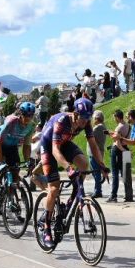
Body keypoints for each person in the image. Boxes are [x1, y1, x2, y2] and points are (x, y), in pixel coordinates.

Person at [37, 98, 108, 244]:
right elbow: (55, 150)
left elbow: (93, 145)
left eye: (88, 118)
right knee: (54, 187)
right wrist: (68, 168)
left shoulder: (86, 122)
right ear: (75, 114)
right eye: (82, 118)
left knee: (83, 164)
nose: (85, 122)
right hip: (49, 145)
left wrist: (101, 165)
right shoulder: (62, 121)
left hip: (64, 142)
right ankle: (46, 227)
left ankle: (75, 194)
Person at [0, 102, 39, 195]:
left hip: (12, 147)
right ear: (20, 114)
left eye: (31, 116)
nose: (28, 118)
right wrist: (1, 162)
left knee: (15, 175)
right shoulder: (11, 121)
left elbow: (27, 145)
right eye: (26, 116)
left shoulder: (31, 125)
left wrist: (27, 161)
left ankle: (10, 199)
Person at [107, 108, 131, 202]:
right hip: (126, 149)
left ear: (117, 117)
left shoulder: (118, 127)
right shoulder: (128, 126)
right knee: (126, 174)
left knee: (115, 174)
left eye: (114, 117)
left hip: (118, 150)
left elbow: (117, 142)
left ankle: (113, 196)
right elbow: (125, 139)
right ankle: (129, 195)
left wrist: (122, 150)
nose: (114, 119)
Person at [89, 111, 107, 198]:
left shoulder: (98, 128)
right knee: (96, 172)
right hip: (99, 151)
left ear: (97, 119)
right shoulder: (103, 126)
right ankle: (97, 189)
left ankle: (98, 190)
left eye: (94, 118)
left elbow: (89, 136)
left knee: (96, 172)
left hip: (95, 152)